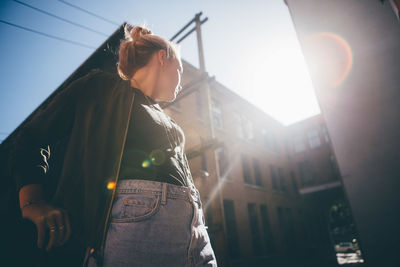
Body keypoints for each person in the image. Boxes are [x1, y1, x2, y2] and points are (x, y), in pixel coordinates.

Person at [13, 24, 217, 267]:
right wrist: (33, 202)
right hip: (138, 233)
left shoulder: (162, 114)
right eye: (180, 70)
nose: (181, 81)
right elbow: (29, 138)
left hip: (196, 233)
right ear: (163, 58)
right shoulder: (98, 87)